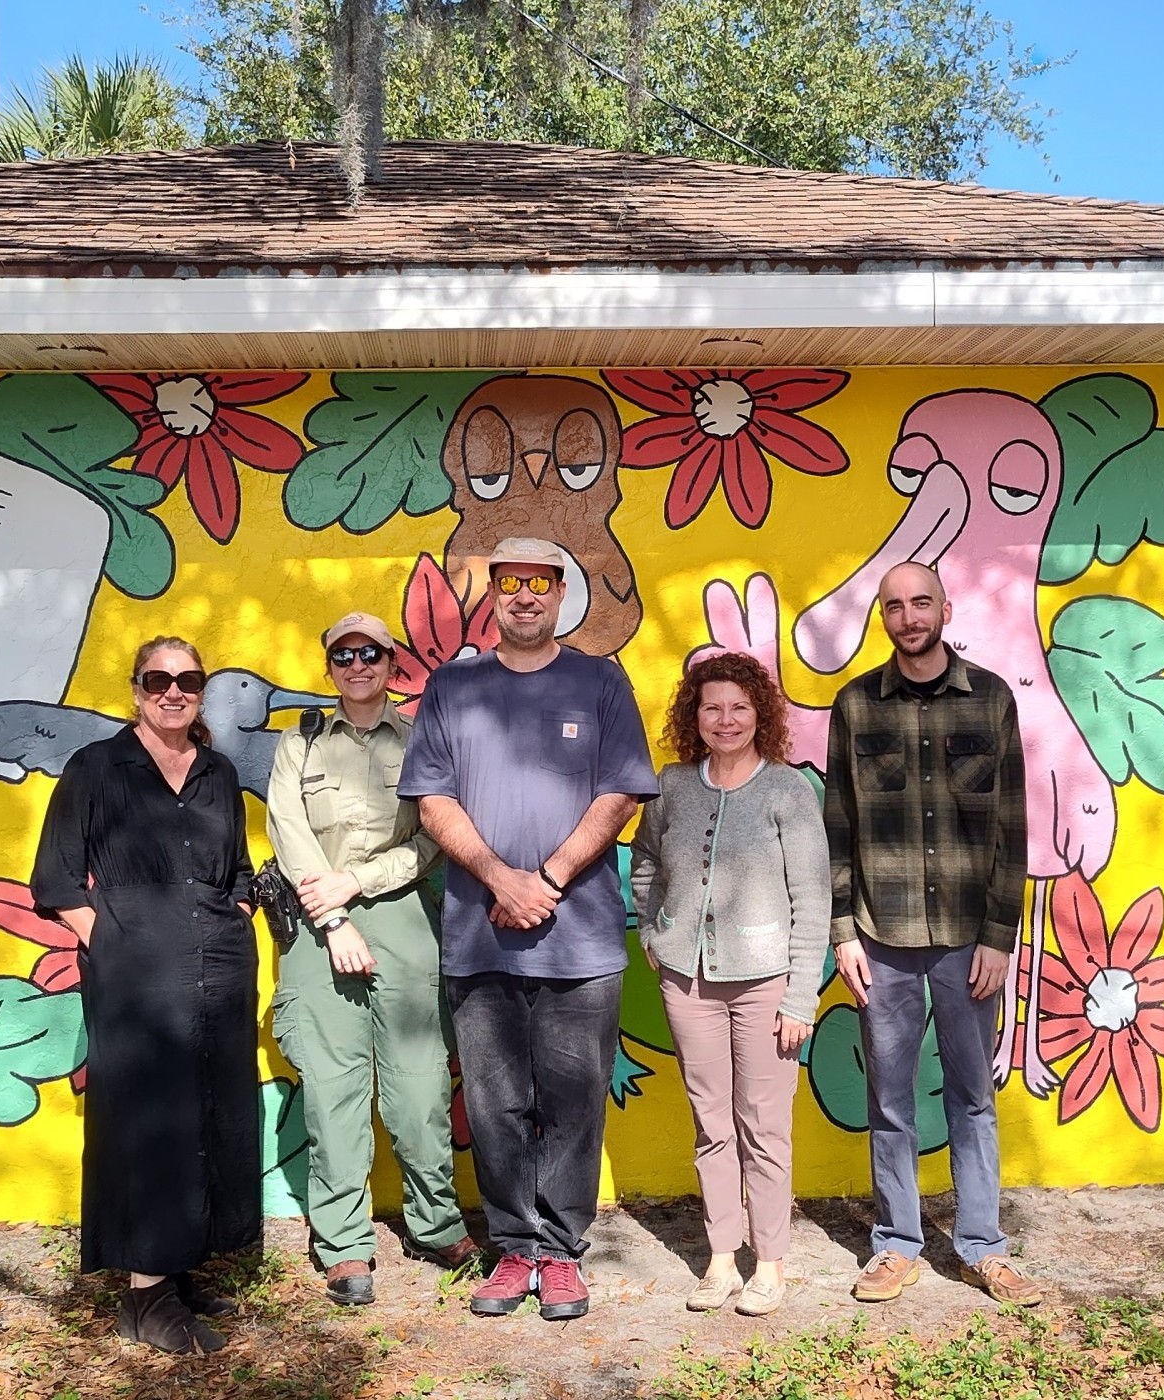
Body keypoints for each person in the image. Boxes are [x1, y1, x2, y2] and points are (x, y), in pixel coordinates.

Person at [398, 537, 657, 1322]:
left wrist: (543, 879)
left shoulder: (599, 681)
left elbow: (620, 793)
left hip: (577, 937)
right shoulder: (454, 685)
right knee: (495, 1101)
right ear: (492, 594)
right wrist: (498, 879)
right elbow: (431, 800)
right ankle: (514, 1249)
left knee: (573, 1100)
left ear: (559, 594)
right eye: (508, 582)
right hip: (479, 937)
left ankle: (563, 1252)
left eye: (539, 583)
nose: (523, 596)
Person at [30, 636, 262, 1354]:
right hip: (136, 975)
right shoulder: (97, 768)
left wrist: (242, 911)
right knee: (150, 1122)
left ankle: (180, 1266)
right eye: (157, 679)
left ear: (200, 690)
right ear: (135, 688)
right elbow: (55, 879)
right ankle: (145, 1296)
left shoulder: (217, 772)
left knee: (210, 1116)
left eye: (187, 679)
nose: (172, 691)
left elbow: (238, 871)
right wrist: (110, 939)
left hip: (219, 970)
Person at [824, 562, 1043, 1307]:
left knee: (971, 1095)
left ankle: (982, 1246)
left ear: (945, 608)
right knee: (888, 1096)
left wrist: (997, 934)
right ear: (880, 617)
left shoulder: (988, 699)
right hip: (878, 935)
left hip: (964, 939)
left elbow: (1012, 825)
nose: (909, 616)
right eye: (894, 606)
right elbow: (838, 825)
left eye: (921, 602)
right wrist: (840, 931)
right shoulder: (854, 706)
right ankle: (895, 1245)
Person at [266, 612, 477, 1306]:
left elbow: (430, 839)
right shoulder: (298, 743)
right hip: (315, 922)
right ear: (329, 668)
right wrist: (331, 917)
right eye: (343, 656)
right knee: (333, 1093)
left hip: (399, 917)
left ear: (391, 664)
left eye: (371, 655)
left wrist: (358, 883)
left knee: (419, 1089)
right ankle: (344, 1245)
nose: (357, 666)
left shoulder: (422, 741)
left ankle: (435, 1223)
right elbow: (289, 834)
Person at [631, 651, 828, 1316]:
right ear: (694, 714)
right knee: (710, 1122)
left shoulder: (786, 791)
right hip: (686, 982)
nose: (724, 719)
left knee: (762, 1126)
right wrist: (653, 935)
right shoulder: (672, 785)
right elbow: (647, 862)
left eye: (738, 707)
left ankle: (768, 1263)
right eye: (711, 707)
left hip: (765, 985)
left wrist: (802, 995)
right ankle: (720, 1259)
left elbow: (812, 899)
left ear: (758, 715)